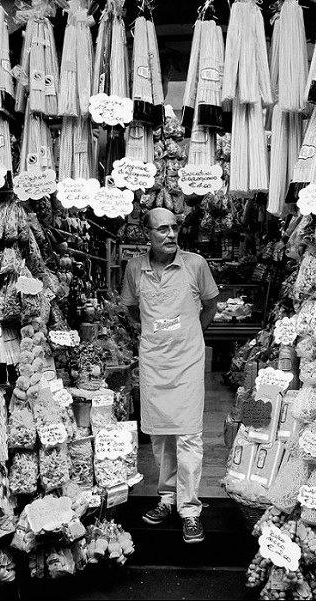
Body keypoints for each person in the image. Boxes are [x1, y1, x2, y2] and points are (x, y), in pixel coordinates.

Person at [121, 207, 219, 543]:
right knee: (161, 437)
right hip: (154, 363)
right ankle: (166, 498)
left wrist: (191, 335)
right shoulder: (135, 268)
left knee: (189, 435)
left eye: (174, 228)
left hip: (188, 362)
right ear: (145, 234)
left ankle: (189, 509)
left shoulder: (195, 264)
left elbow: (210, 306)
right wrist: (160, 336)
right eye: (162, 229)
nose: (170, 234)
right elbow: (134, 311)